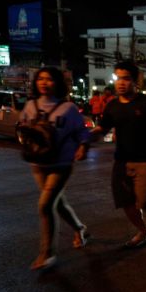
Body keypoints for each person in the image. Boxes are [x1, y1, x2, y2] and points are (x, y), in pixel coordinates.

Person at [90, 60, 146, 248]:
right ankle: (142, 231)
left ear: (135, 82)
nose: (121, 83)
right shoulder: (112, 106)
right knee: (126, 202)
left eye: (126, 79)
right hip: (121, 162)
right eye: (118, 78)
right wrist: (86, 138)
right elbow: (102, 128)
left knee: (144, 201)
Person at [19, 67, 91, 270]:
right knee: (57, 204)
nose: (44, 82)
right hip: (38, 163)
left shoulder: (68, 108)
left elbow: (82, 132)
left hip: (62, 163)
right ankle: (80, 228)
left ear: (57, 83)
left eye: (49, 79)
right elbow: (22, 128)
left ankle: (47, 253)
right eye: (40, 79)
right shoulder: (30, 106)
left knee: (45, 205)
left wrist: (83, 147)